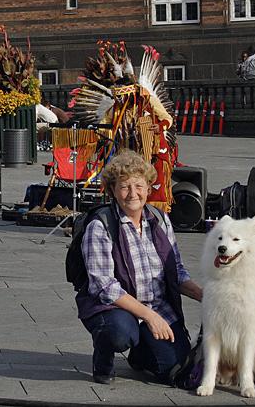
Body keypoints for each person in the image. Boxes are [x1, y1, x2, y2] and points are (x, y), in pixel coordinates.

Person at [79, 150, 202, 385]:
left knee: (177, 369)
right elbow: (104, 287)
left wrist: (202, 294)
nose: (132, 193)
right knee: (119, 333)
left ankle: (141, 352)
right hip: (114, 308)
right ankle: (103, 362)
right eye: (124, 187)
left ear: (148, 187)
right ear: (113, 190)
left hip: (157, 306)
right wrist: (149, 316)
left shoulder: (160, 219)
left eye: (139, 185)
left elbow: (176, 269)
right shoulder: (100, 225)